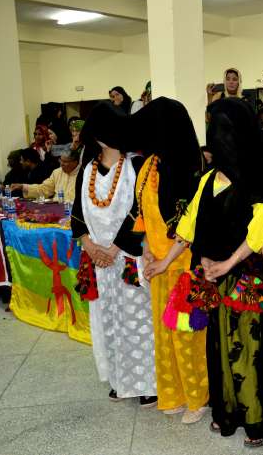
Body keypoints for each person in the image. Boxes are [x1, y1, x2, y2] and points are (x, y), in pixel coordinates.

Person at [144, 98, 263, 447]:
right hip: (213, 279)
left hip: (247, 277)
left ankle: (255, 420)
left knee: (247, 349)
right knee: (219, 348)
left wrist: (228, 262)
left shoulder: (260, 173)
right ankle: (227, 413)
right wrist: (166, 262)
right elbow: (189, 225)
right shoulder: (208, 178)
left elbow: (262, 227)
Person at [127, 97, 211, 424]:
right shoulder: (149, 164)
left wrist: (165, 261)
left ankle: (197, 398)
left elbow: (189, 225)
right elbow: (143, 212)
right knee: (163, 334)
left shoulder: (188, 166)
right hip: (158, 264)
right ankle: (173, 394)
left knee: (186, 334)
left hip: (183, 265)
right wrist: (147, 247)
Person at [71, 101, 157, 407]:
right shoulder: (87, 170)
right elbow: (77, 213)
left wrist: (114, 248)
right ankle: (119, 379)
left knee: (136, 320)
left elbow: (140, 211)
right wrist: (90, 246)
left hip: (128, 257)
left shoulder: (135, 165)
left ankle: (146, 383)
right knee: (107, 320)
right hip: (99, 261)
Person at [10, 150, 80, 202]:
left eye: (65, 162)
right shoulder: (57, 172)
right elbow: (44, 189)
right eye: (61, 160)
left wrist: (54, 200)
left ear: (75, 162)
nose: (61, 164)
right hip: (57, 207)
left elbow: (76, 199)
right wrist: (23, 187)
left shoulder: (83, 175)